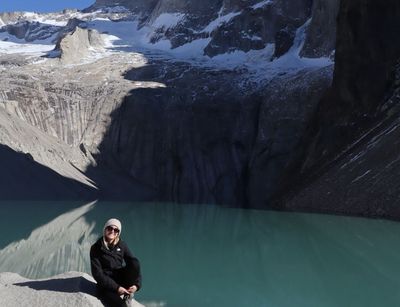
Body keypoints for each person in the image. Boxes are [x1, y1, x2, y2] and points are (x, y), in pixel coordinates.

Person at [90, 218, 142, 307]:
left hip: (120, 278)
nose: (112, 231)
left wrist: (137, 285)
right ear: (105, 229)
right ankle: (123, 298)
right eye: (109, 228)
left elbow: (134, 264)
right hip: (106, 285)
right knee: (121, 306)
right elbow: (97, 274)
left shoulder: (122, 245)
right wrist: (117, 288)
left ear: (118, 233)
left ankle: (129, 292)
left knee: (134, 262)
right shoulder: (95, 248)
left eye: (116, 230)